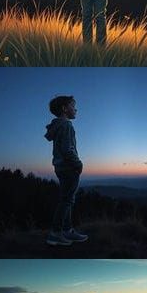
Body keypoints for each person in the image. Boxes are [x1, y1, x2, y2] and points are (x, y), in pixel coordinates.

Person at [44, 95, 86, 246]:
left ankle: (67, 230)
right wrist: (78, 163)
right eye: (73, 106)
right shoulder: (67, 125)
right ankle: (55, 234)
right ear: (64, 109)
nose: (76, 109)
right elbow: (68, 150)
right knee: (66, 200)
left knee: (67, 199)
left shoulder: (58, 126)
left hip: (60, 167)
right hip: (69, 168)